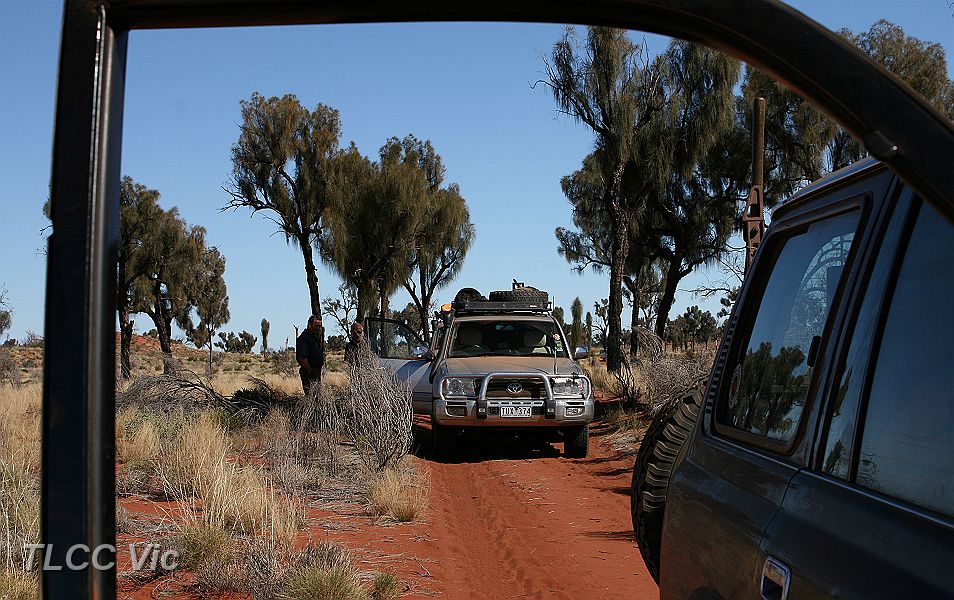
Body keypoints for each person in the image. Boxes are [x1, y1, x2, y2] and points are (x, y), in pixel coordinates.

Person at [296, 315, 325, 395]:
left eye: (320, 326)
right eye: (316, 326)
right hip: (308, 372)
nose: (318, 328)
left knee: (317, 395)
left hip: (316, 372)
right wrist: (310, 371)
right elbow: (302, 358)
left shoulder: (314, 338)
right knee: (311, 396)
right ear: (310, 325)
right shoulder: (303, 339)